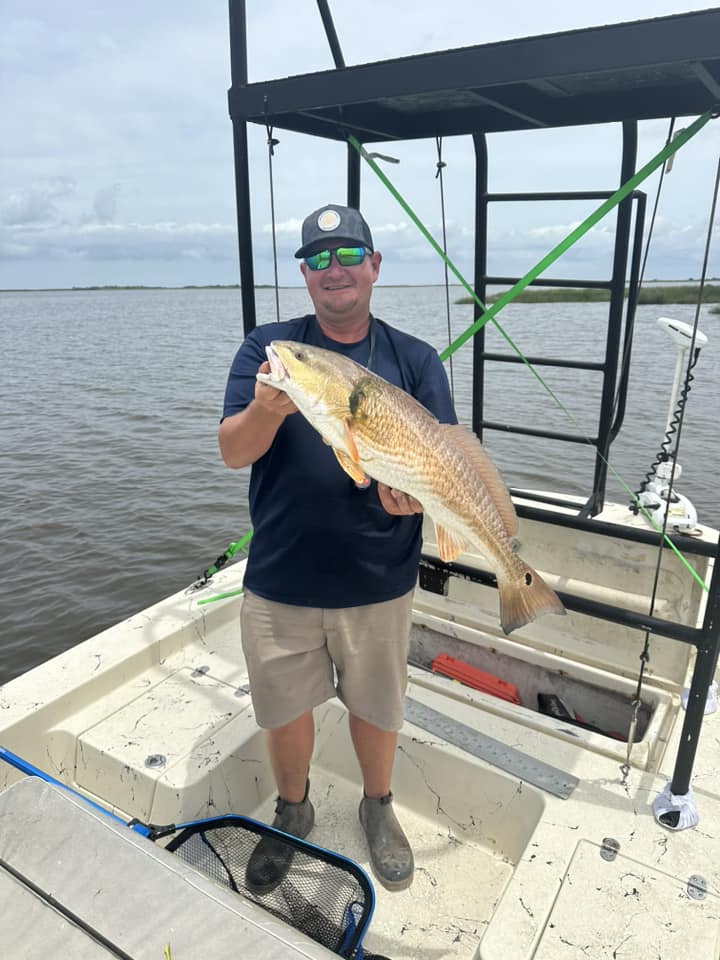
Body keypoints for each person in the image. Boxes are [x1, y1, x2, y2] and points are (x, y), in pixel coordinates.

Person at [219, 203, 457, 893]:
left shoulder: (414, 359)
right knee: (284, 711)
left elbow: (435, 460)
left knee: (377, 706)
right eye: (318, 259)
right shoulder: (271, 350)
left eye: (349, 254)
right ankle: (293, 812)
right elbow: (234, 453)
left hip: (377, 578)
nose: (335, 270)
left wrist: (407, 494)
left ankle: (377, 805)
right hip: (280, 578)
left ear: (375, 265)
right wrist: (266, 407)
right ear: (304, 275)